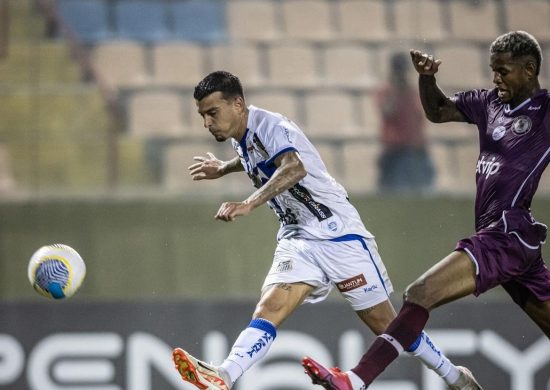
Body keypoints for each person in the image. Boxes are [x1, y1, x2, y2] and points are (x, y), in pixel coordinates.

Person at [171, 70, 480, 390]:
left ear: (238, 105)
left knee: (388, 326)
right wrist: (222, 168)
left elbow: (294, 166)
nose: (207, 123)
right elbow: (251, 157)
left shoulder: (272, 126)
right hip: (298, 236)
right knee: (270, 307)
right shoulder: (243, 136)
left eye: (212, 113)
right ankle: (225, 375)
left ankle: (455, 376)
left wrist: (249, 203)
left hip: (338, 234)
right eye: (203, 116)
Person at [303, 30, 550, 389]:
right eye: (493, 70)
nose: (496, 78)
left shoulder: (544, 113)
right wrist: (427, 79)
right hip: (505, 240)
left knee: (419, 294)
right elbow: (437, 111)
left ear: (529, 70)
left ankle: (356, 379)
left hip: (507, 234)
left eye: (504, 71)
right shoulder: (489, 104)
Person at [376, 52, 435, 194]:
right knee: (395, 192)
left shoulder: (413, 91)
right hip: (394, 150)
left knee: (422, 191)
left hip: (414, 149)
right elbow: (387, 112)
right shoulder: (386, 91)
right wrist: (396, 91)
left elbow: (420, 118)